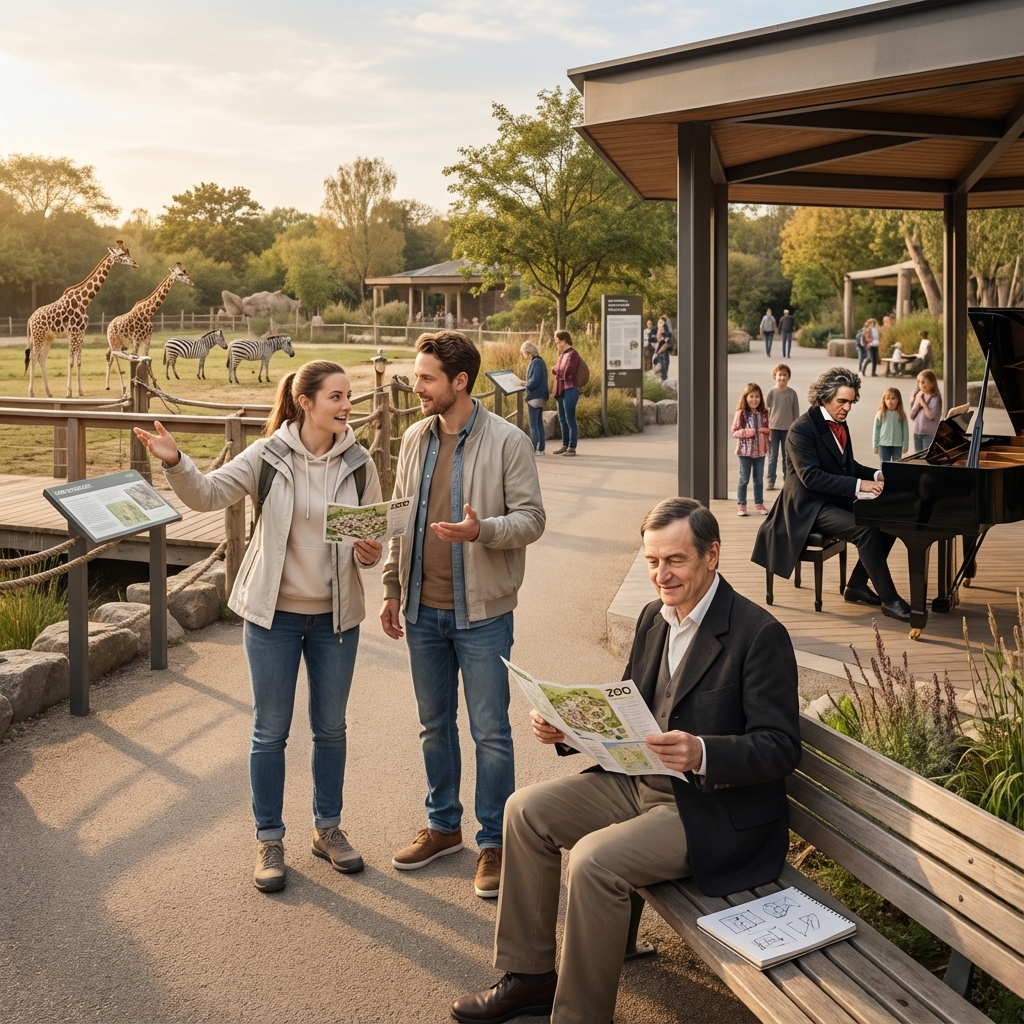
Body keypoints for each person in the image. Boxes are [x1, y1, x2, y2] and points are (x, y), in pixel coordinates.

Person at [450, 498, 801, 1024]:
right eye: (653, 560)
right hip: (640, 781)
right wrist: (567, 729)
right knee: (524, 811)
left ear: (712, 555)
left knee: (594, 860)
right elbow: (631, 703)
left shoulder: (758, 634)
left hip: (710, 810)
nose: (662, 574)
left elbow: (780, 746)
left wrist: (703, 752)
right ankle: (530, 979)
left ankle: (580, 1017)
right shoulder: (653, 618)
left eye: (675, 560)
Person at [132, 361, 383, 893]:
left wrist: (370, 553)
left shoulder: (361, 462)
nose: (346, 406)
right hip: (274, 618)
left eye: (350, 396)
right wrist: (176, 461)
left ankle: (328, 829)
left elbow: (370, 546)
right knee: (270, 732)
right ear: (305, 402)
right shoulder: (267, 456)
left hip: (337, 620)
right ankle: (269, 838)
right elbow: (206, 493)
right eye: (336, 396)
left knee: (331, 729)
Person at [380, 331, 545, 900]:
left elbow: (532, 520)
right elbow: (399, 519)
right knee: (433, 725)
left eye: (425, 377)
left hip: (483, 615)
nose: (416, 385)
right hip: (422, 609)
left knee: (491, 732)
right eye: (416, 375)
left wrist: (483, 530)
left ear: (459, 382)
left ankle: (494, 841)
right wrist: (389, 589)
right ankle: (443, 827)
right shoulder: (413, 438)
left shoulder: (508, 441)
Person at [752, 367, 912, 622]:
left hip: (832, 499)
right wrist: (860, 486)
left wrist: (877, 475)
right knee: (866, 530)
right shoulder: (801, 429)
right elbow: (811, 477)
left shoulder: (840, 423)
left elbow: (849, 466)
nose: (847, 407)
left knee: (887, 524)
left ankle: (857, 586)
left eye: (850, 402)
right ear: (824, 397)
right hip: (807, 507)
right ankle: (890, 599)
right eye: (842, 401)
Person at [732, 382, 770, 517]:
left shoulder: (765, 413)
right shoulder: (741, 413)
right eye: (751, 396)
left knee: (759, 479)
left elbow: (769, 431)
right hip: (744, 452)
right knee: (744, 479)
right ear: (746, 397)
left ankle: (759, 503)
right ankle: (741, 504)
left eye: (757, 396)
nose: (754, 399)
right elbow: (735, 432)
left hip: (760, 451)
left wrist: (767, 432)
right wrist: (754, 431)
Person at [765, 363, 800, 490]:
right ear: (775, 376)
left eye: (785, 375)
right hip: (773, 429)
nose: (782, 377)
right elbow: (766, 412)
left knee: (787, 456)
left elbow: (796, 413)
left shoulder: (792, 394)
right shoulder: (771, 392)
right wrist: (766, 427)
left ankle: (787, 479)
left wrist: (795, 430)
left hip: (788, 430)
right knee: (773, 456)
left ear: (789, 377)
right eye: (780, 375)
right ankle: (770, 479)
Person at [552, 329, 581, 456]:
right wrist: (557, 369)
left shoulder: (573, 354)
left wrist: (555, 369)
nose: (556, 343)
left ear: (564, 341)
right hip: (560, 388)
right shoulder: (561, 354)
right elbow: (560, 370)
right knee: (562, 418)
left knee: (570, 418)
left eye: (558, 341)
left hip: (570, 388)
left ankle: (572, 447)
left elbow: (567, 371)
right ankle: (564, 444)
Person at [521, 341, 549, 455]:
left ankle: (535, 447)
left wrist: (525, 384)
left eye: (523, 353)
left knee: (533, 424)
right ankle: (541, 448)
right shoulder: (541, 361)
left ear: (527, 352)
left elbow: (534, 380)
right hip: (542, 396)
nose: (524, 356)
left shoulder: (535, 362)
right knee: (539, 423)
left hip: (534, 397)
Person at [873, 387, 910, 463]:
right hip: (883, 444)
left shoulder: (901, 414)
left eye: (893, 398)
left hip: (897, 445)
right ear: (884, 400)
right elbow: (876, 430)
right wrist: (875, 445)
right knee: (884, 465)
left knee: (896, 465)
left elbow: (905, 431)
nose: (890, 401)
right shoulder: (881, 413)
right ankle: (884, 475)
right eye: (888, 398)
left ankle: (895, 475)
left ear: (898, 400)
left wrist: (905, 445)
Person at [910, 369, 942, 451]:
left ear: (931, 383)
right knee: (918, 455)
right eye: (919, 382)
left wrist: (923, 403)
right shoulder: (919, 395)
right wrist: (917, 401)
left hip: (929, 433)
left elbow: (931, 416)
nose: (921, 385)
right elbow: (912, 415)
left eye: (923, 382)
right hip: (917, 431)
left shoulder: (935, 398)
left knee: (926, 456)